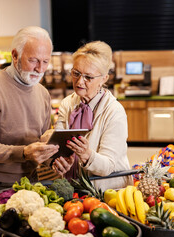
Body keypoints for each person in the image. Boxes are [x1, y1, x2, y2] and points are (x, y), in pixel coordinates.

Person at [0, 26, 59, 214]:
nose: (40, 69)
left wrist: (53, 158)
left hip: (31, 180)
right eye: (33, 60)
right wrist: (23, 153)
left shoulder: (42, 93)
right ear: (15, 56)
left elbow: (41, 141)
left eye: (45, 62)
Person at [51, 41, 132, 191]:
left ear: (104, 78)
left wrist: (87, 155)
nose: (80, 81)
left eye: (88, 77)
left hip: (108, 192)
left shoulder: (114, 111)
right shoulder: (67, 104)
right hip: (73, 188)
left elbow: (108, 166)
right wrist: (59, 161)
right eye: (76, 73)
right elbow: (59, 145)